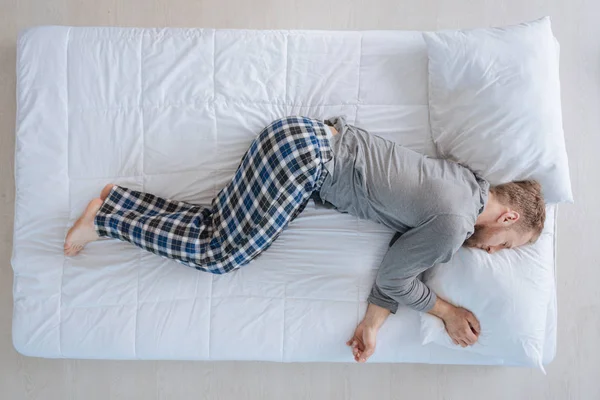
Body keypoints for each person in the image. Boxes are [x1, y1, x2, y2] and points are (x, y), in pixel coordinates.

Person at [64, 116, 546, 363]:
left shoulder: (463, 183)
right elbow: (399, 276)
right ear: (505, 217)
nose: (491, 252)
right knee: (220, 254)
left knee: (217, 224)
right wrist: (447, 312)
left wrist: (372, 325)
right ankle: (107, 217)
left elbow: (402, 259)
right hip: (305, 164)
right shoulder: (455, 225)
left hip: (305, 139)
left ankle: (118, 202)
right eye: (505, 244)